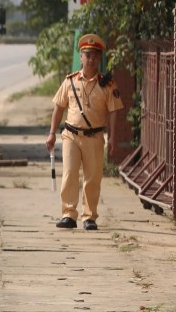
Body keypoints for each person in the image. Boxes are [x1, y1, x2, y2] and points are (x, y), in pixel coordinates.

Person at [45, 33, 124, 230]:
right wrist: (52, 133)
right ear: (80, 57)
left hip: (95, 136)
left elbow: (114, 112)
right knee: (70, 174)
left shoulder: (108, 84)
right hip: (71, 135)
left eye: (95, 55)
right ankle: (69, 214)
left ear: (99, 58)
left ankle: (89, 217)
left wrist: (112, 137)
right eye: (87, 55)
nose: (91, 59)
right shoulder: (70, 81)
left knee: (92, 177)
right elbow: (58, 107)